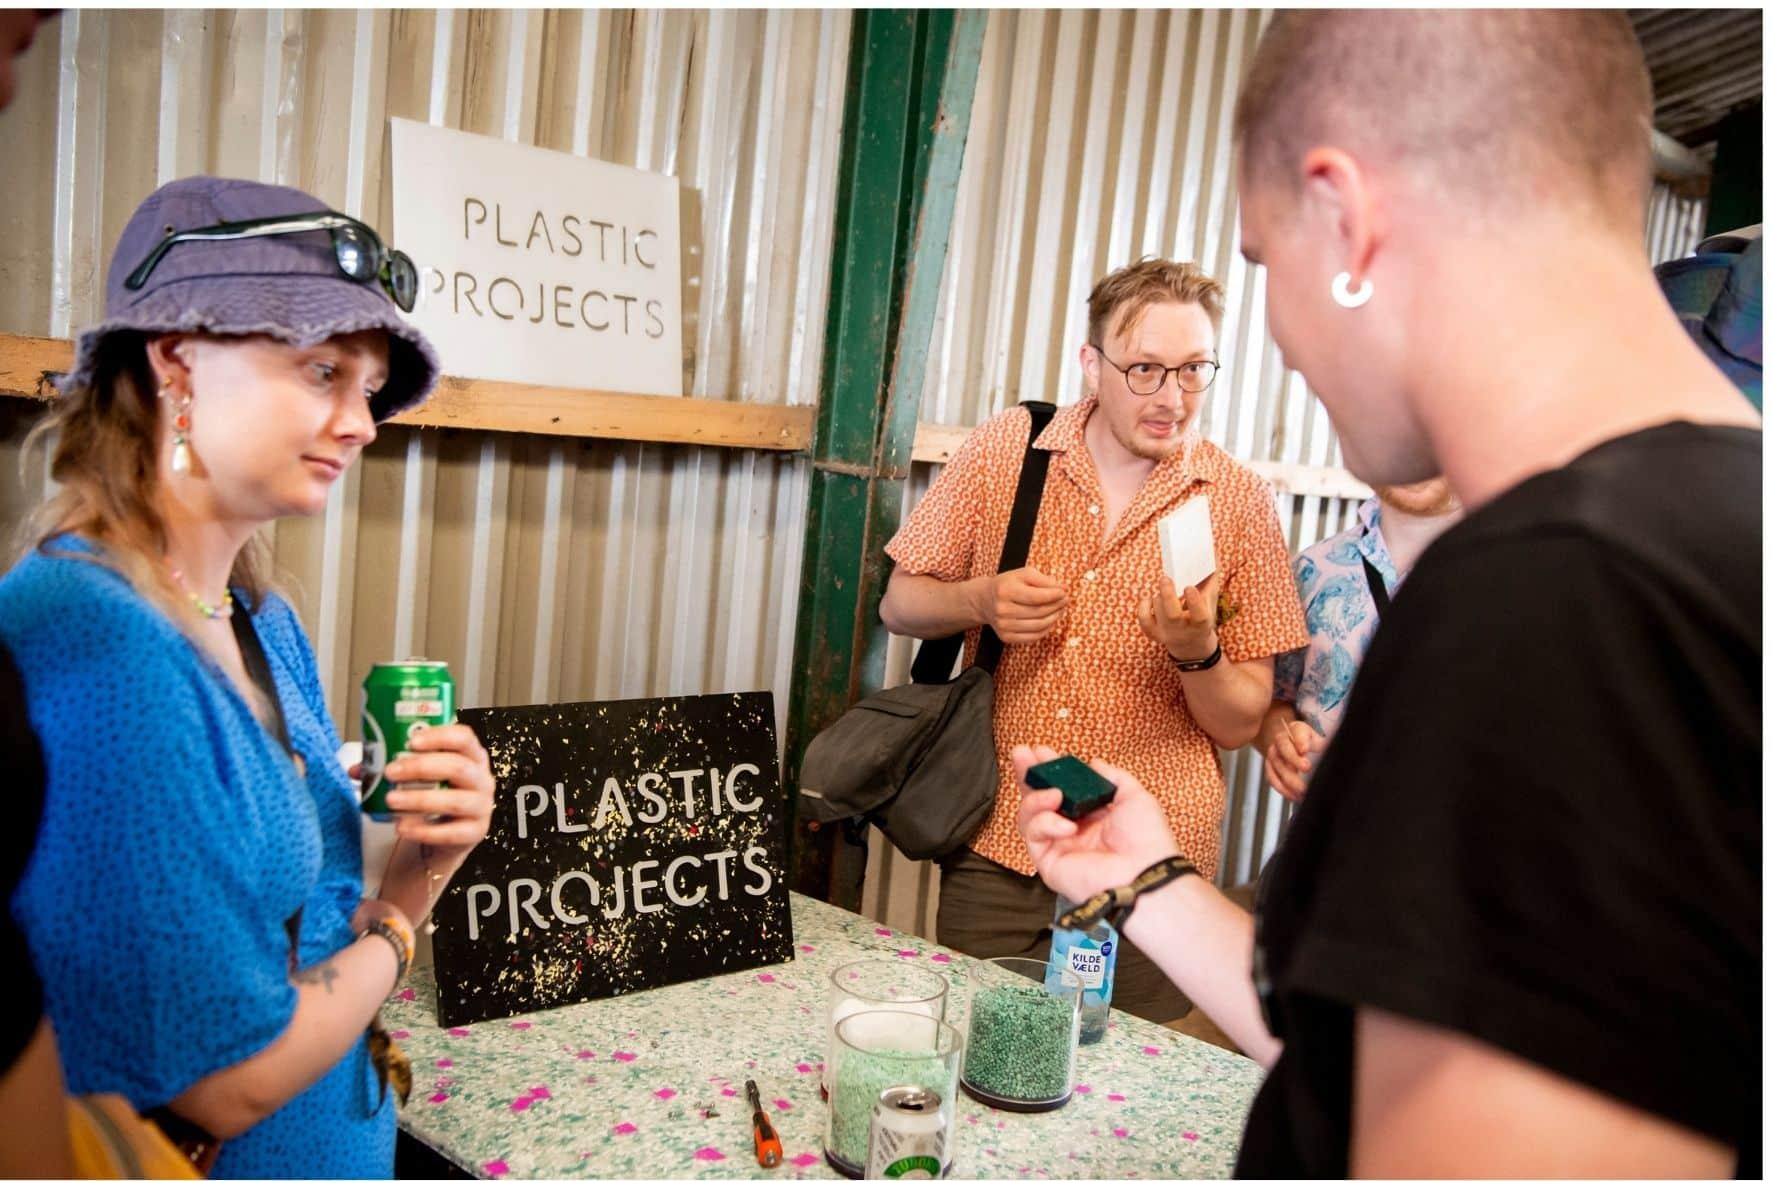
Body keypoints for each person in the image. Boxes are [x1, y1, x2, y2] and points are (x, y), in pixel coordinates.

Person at [1016, 10, 1759, 1177]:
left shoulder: (1554, 594)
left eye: (1264, 263)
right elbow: (1389, 1057)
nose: (1282, 342)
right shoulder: (1714, 528)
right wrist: (1145, 882)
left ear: (1346, 219)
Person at [0, 175, 496, 1178]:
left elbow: (284, 868)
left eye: (367, 388)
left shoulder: (258, 612)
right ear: (177, 358)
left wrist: (417, 816)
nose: (360, 421)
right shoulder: (97, 640)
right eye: (322, 370)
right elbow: (224, 1075)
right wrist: (406, 910)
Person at [879, 257, 1308, 1022]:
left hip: (1152, 871)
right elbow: (900, 603)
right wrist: (982, 599)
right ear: (1091, 363)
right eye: (1144, 369)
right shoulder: (1011, 448)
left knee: (1123, 1089)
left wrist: (1195, 650)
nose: (1171, 398)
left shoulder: (1238, 502)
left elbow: (1243, 722)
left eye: (1193, 369)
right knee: (985, 1051)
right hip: (1004, 837)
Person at [1259, 477, 1460, 800]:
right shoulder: (1313, 570)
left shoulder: (1512, 575)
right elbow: (1273, 697)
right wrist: (1283, 741)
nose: (1412, 461)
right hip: (1330, 834)